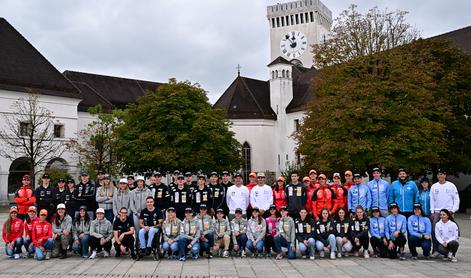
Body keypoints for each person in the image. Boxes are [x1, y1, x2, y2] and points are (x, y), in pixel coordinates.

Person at [430, 169, 460, 256]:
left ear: (445, 175)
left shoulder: (451, 186)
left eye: (442, 174)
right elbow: (432, 200)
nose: (440, 176)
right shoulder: (434, 186)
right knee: (435, 231)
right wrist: (432, 211)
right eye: (439, 174)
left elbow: (456, 199)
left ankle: (450, 250)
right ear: (437, 176)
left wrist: (453, 210)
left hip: (448, 212)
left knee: (450, 230)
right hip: (437, 211)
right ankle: (436, 250)